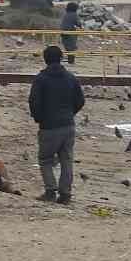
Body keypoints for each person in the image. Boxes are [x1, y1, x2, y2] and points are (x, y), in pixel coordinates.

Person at [29, 45, 85, 204]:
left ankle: (50, 190)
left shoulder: (41, 79)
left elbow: (34, 102)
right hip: (68, 125)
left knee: (46, 159)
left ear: (45, 59)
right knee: (66, 160)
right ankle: (66, 194)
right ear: (61, 58)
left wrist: (40, 119)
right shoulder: (70, 77)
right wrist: (70, 114)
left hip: (49, 127)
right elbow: (80, 101)